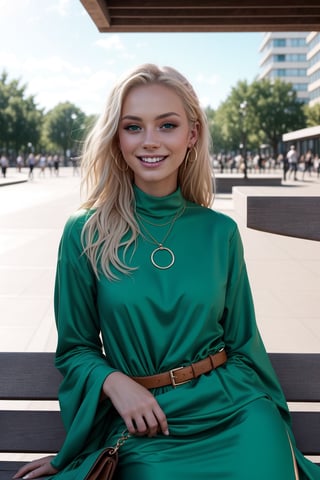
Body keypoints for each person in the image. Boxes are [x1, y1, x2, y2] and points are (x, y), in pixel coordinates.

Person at [14, 64, 319, 480]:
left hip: (236, 411)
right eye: (133, 127)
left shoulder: (220, 232)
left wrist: (272, 419)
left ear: (191, 134)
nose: (150, 141)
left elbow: (243, 342)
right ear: (116, 136)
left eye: (167, 125)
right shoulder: (84, 233)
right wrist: (116, 384)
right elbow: (75, 349)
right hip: (146, 421)